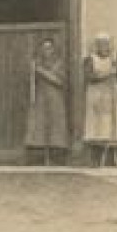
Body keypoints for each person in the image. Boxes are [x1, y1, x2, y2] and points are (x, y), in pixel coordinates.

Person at [82, 32, 117, 167]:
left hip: (114, 93)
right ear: (97, 45)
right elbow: (89, 76)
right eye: (101, 44)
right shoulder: (90, 59)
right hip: (97, 95)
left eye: (107, 43)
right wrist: (107, 74)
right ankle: (96, 160)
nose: (104, 46)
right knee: (98, 127)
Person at [24, 37, 70, 166]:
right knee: (39, 126)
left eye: (49, 48)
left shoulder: (59, 64)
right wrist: (33, 71)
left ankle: (56, 157)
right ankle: (39, 156)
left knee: (56, 126)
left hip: (55, 98)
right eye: (44, 48)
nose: (46, 51)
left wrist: (41, 71)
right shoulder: (38, 63)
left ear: (54, 49)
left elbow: (59, 81)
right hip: (41, 98)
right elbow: (31, 83)